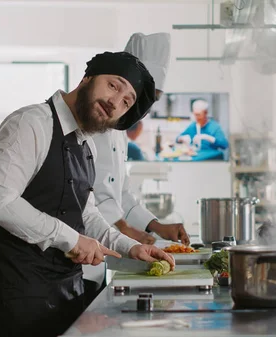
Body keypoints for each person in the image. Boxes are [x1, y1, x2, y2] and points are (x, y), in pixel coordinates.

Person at [0, 51, 175, 337]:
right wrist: (71, 239)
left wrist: (131, 247)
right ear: (87, 78)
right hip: (21, 292)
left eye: (126, 101)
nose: (115, 102)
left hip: (68, 289)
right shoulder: (30, 124)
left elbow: (87, 214)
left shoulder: (87, 146)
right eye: (113, 85)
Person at [84, 33, 190, 303]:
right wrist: (124, 228)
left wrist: (156, 226)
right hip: (78, 254)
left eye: (154, 99)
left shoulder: (120, 128)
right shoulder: (96, 120)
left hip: (95, 259)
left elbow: (122, 193)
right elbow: (90, 192)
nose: (146, 106)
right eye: (146, 95)